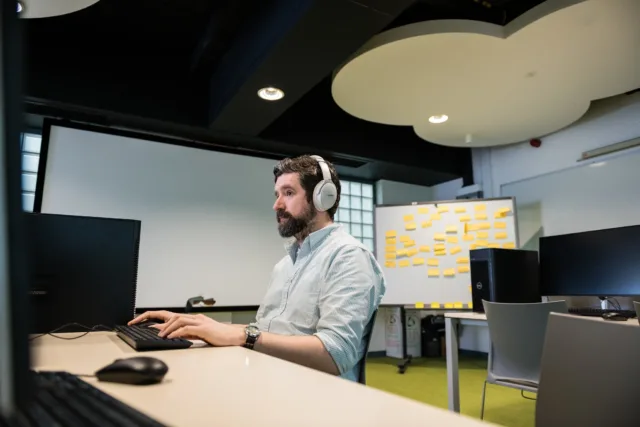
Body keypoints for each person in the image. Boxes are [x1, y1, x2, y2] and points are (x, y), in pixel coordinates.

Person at [129, 155, 385, 382]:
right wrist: (202, 326)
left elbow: (334, 355)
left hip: (314, 399)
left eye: (288, 193)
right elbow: (266, 333)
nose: (277, 205)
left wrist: (244, 335)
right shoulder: (285, 265)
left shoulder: (349, 257)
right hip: (268, 379)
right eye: (277, 195)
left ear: (323, 198)